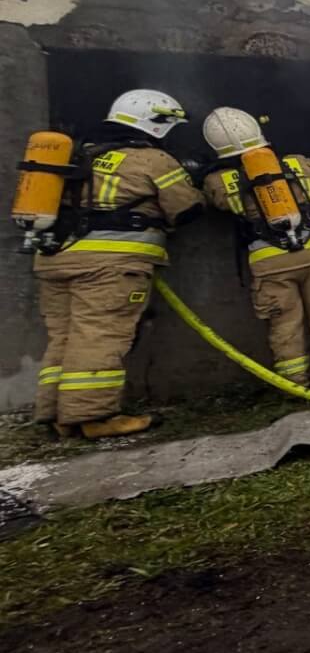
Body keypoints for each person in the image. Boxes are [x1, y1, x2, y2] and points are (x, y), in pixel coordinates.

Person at [34, 89, 204, 439]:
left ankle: (58, 415)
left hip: (55, 257)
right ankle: (95, 417)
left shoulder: (80, 154)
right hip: (110, 265)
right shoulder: (152, 160)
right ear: (154, 123)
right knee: (101, 335)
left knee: (64, 336)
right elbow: (186, 208)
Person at [198, 108, 310, 392]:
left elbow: (211, 202)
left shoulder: (217, 181)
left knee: (285, 325)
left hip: (271, 262)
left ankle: (296, 388)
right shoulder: (296, 163)